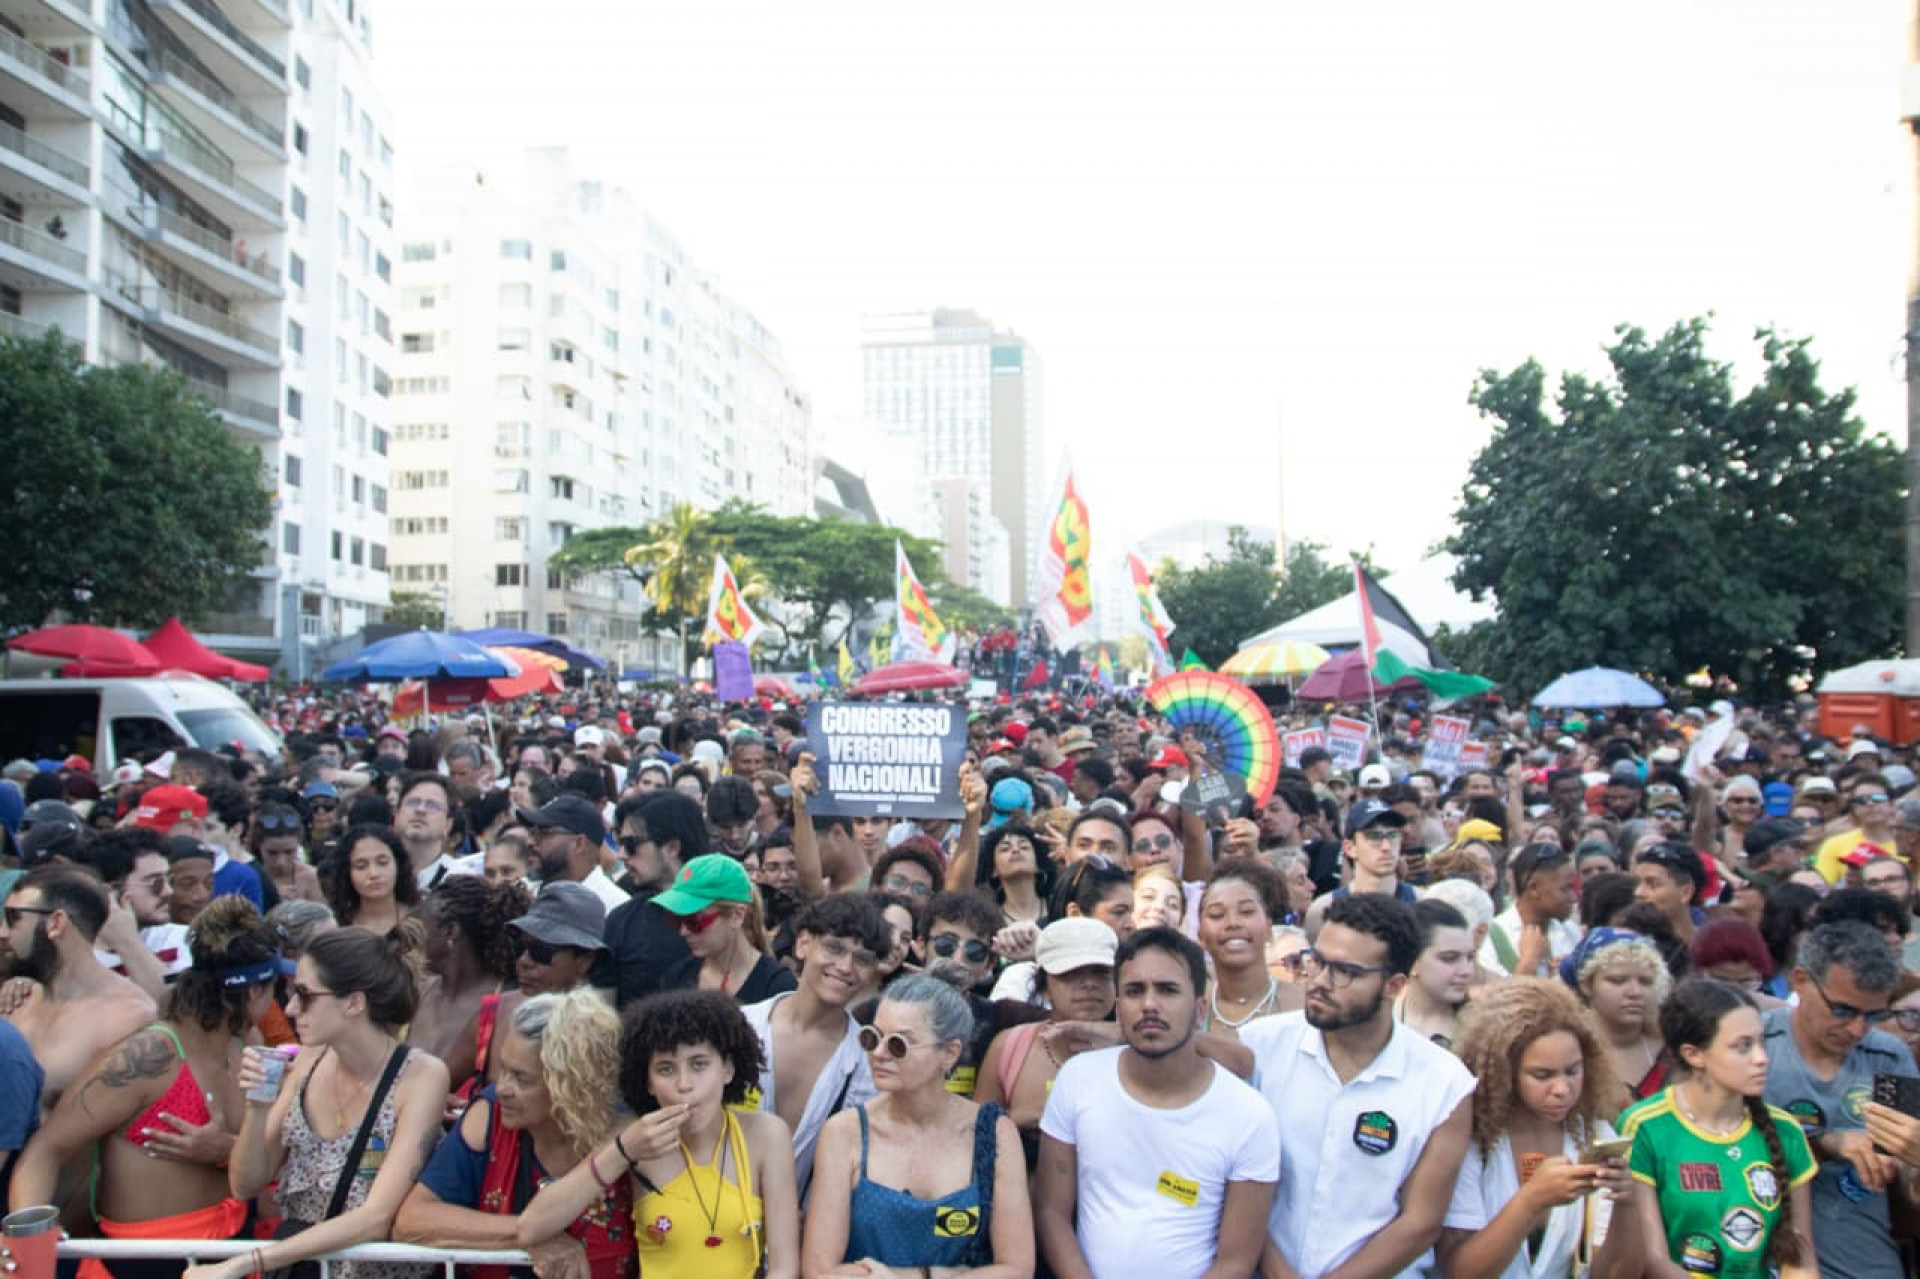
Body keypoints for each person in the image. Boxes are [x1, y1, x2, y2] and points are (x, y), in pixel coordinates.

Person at [8, 897, 279, 1276]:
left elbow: (271, 1153)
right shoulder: (149, 1057)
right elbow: (44, 1152)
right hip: (143, 1261)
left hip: (232, 1252)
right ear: (254, 992)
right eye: (275, 987)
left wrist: (225, 1150)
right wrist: (27, 1262)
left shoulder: (247, 1044)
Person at [187, 928, 450, 1279]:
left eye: (304, 995)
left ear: (354, 1003)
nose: (291, 1009)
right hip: (304, 1266)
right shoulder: (308, 1061)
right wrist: (258, 1106)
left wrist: (247, 1263)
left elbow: (375, 1217)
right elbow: (246, 1185)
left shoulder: (421, 1076)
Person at [1242, 892, 1476, 1277]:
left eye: (1345, 971)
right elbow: (1237, 1186)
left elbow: (1420, 1223)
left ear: (1393, 985)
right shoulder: (1260, 1048)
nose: (1319, 981)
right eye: (1316, 961)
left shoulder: (1444, 1086)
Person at [1036, 927, 1277, 1279]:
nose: (1149, 1004)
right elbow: (1051, 1213)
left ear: (1199, 1009)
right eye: (1134, 991)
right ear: (1118, 1008)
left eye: (1167, 990)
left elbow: (1236, 1261)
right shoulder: (1078, 1080)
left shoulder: (1249, 1115)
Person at [519, 988, 800, 1279]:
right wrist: (622, 1151)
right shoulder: (632, 1135)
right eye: (666, 1069)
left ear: (728, 1069)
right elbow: (532, 1226)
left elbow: (784, 1268)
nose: (684, 1084)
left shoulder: (767, 1135)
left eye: (699, 1065)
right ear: (648, 1083)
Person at [394, 989, 632, 1279]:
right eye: (503, 1069)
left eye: (522, 1078)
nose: (503, 1087)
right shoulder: (490, 1114)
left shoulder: (627, 1132)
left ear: (572, 1086)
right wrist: (530, 1235)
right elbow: (412, 1221)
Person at [804, 974, 1032, 1277]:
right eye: (873, 1038)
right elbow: (820, 1270)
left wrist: (912, 1276)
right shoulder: (845, 1132)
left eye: (899, 1044)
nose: (880, 1053)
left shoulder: (993, 1131)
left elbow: (1017, 1268)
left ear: (949, 1053)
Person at [1438, 978, 1642, 1279]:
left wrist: (1627, 1204)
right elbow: (1460, 1272)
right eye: (1542, 1075)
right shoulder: (1470, 1141)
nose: (1562, 1089)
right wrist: (1531, 1201)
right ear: (1503, 1073)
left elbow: (1614, 1275)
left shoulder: (1594, 1135)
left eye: (1573, 1070)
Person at [1619, 978, 1816, 1279]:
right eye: (1743, 1047)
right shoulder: (1645, 1126)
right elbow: (1654, 1260)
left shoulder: (1786, 1130)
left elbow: (1801, 1262)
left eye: (1762, 1042)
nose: (1761, 1059)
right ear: (1693, 1054)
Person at [1760, 920, 1919, 1277]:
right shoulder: (1752, 1046)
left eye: (1874, 1015)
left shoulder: (1889, 1057)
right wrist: (1825, 1144)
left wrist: (1912, 1165)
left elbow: (1909, 1186)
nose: (1858, 1029)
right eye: (1844, 1010)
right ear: (1800, 981)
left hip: (1864, 1261)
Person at [740, 894, 892, 1194]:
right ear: (803, 944)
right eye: (834, 948)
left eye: (862, 959)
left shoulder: (869, 1064)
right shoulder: (738, 1028)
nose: (845, 967)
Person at [1, 866, 156, 1110]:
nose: (2, 932)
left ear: (56, 923)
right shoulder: (17, 999)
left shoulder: (130, 1019)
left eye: (13, 918)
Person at [973, 918, 1117, 1172]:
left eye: (1100, 972)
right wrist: (1016, 1126)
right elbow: (977, 1138)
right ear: (1045, 984)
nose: (1088, 984)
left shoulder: (1137, 1051)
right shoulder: (1010, 1046)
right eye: (1071, 973)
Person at [410, 876, 529, 1102]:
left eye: (421, 927)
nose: (414, 938)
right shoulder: (416, 991)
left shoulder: (505, 1005)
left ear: (451, 931)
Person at [652, 855, 795, 1003]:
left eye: (692, 921)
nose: (683, 931)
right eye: (677, 919)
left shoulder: (778, 989)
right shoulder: (676, 978)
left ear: (737, 915)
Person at [1565, 925, 1673, 1105]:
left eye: (1646, 982)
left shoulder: (1672, 1051)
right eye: (1617, 980)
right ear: (1587, 985)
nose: (1634, 992)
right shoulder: (1568, 1047)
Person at [1197, 858, 1299, 1032]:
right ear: (1200, 935)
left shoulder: (1302, 1005)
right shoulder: (1188, 1006)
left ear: (1268, 927)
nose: (1233, 923)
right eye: (1217, 914)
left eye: (1246, 912)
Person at [1483, 844, 1580, 978]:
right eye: (1566, 888)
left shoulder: (1571, 931)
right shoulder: (1491, 938)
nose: (1574, 898)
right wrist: (1529, 961)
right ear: (1534, 888)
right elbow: (1498, 998)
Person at [519, 795, 627, 911]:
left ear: (579, 843)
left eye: (544, 833)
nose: (531, 842)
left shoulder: (615, 908)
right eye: (532, 833)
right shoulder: (526, 894)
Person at [1395, 898, 1476, 1049]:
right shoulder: (1380, 1020)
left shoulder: (1483, 1027)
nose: (1467, 971)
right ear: (1413, 960)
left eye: (1470, 957)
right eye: (1449, 958)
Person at [327, 825, 419, 935]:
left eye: (383, 863)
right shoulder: (335, 927)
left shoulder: (421, 919)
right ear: (346, 872)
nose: (373, 874)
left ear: (398, 865)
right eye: (361, 866)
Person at [252, 804, 325, 906]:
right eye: (272, 853)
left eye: (289, 852)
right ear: (259, 846)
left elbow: (323, 920)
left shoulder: (312, 877)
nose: (281, 862)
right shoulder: (247, 878)